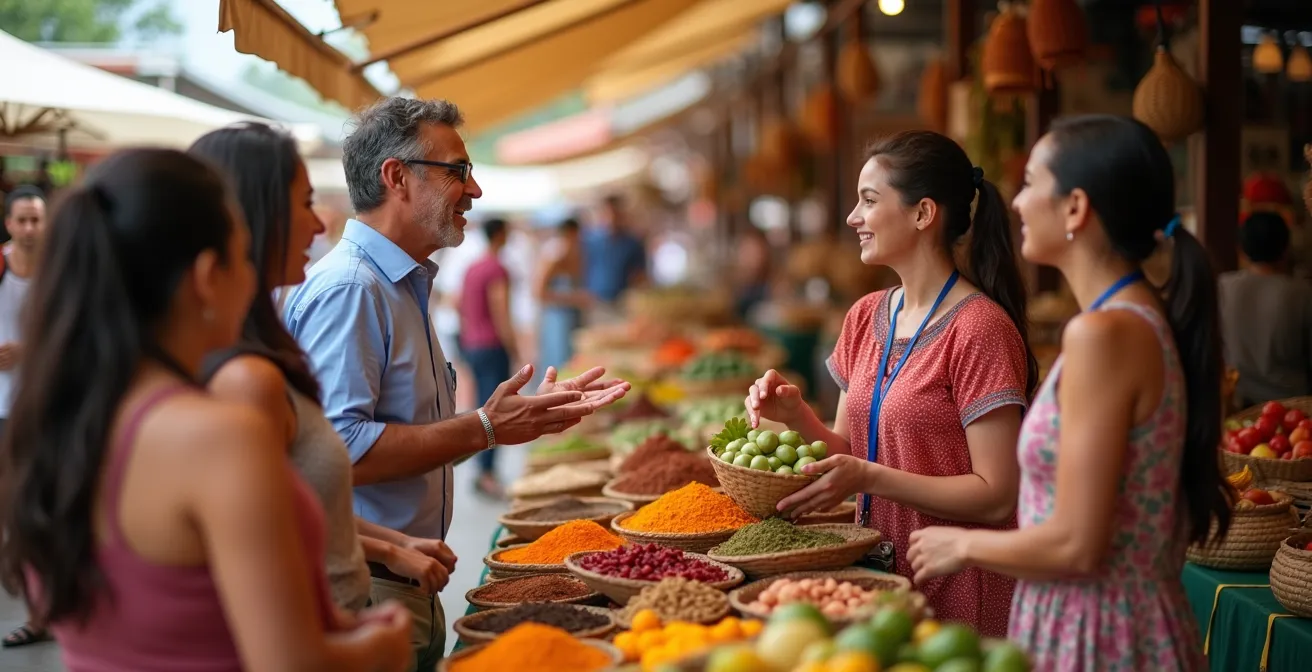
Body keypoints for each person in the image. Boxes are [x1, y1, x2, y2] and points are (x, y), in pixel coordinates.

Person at [0, 148, 411, 672]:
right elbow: (292, 663)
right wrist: (383, 645)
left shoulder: (56, 421)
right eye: (242, 257)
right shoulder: (216, 437)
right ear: (206, 277)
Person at [282, 97, 629, 671]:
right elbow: (337, 450)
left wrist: (498, 422)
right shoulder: (352, 289)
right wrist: (485, 427)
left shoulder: (398, 283)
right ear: (397, 177)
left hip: (405, 577)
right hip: (371, 585)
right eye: (458, 172)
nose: (474, 191)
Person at [906, 115, 1232, 670]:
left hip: (1097, 631)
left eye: (1032, 184)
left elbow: (1077, 545)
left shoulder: (1103, 334)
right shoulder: (1128, 321)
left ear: (1076, 208)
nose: (1016, 202)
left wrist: (960, 544)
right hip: (1107, 620)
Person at [746, 130, 1036, 636]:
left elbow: (996, 494)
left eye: (869, 201)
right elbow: (850, 452)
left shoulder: (979, 329)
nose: (852, 218)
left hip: (961, 585)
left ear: (923, 214)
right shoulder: (865, 316)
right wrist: (795, 416)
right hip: (878, 577)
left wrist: (870, 478)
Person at [189, 123, 458, 616]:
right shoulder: (343, 293)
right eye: (305, 203)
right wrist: (485, 428)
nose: (319, 226)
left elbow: (290, 498)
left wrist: (391, 545)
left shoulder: (247, 351)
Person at [0, 185, 46, 648]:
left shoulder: (59, 272)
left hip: (40, 409)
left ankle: (40, 613)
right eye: (22, 220)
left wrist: (31, 349)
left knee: (34, 514)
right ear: (9, 223)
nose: (30, 228)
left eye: (37, 219)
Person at [1218, 212, 1312, 407]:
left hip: (1238, 405)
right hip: (1292, 410)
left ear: (1241, 250)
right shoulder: (1302, 294)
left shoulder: (1222, 287)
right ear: (1286, 248)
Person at [457, 217, 518, 498]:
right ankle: (487, 473)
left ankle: (482, 470)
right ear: (501, 235)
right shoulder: (497, 269)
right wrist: (513, 346)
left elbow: (458, 304)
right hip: (492, 346)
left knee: (480, 405)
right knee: (494, 411)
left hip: (473, 343)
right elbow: (501, 310)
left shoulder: (472, 268)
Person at [536, 218, 592, 373]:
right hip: (558, 318)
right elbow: (539, 292)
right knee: (558, 364)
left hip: (571, 317)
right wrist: (574, 298)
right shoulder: (555, 254)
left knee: (572, 362)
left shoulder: (575, 253)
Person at [583, 194, 646, 304]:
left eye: (615, 213)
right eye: (607, 213)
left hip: (621, 301)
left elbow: (639, 275)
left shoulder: (633, 243)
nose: (611, 217)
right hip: (594, 301)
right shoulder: (590, 241)